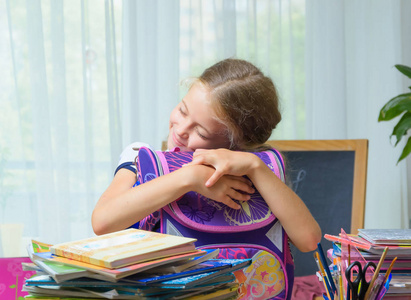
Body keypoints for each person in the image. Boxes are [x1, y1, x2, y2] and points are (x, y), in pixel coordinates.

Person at [92, 58, 321, 298]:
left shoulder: (260, 170)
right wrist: (189, 177)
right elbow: (103, 222)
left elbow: (309, 241)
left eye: (200, 131)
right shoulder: (139, 157)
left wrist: (256, 166)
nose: (181, 130)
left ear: (234, 146)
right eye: (182, 110)